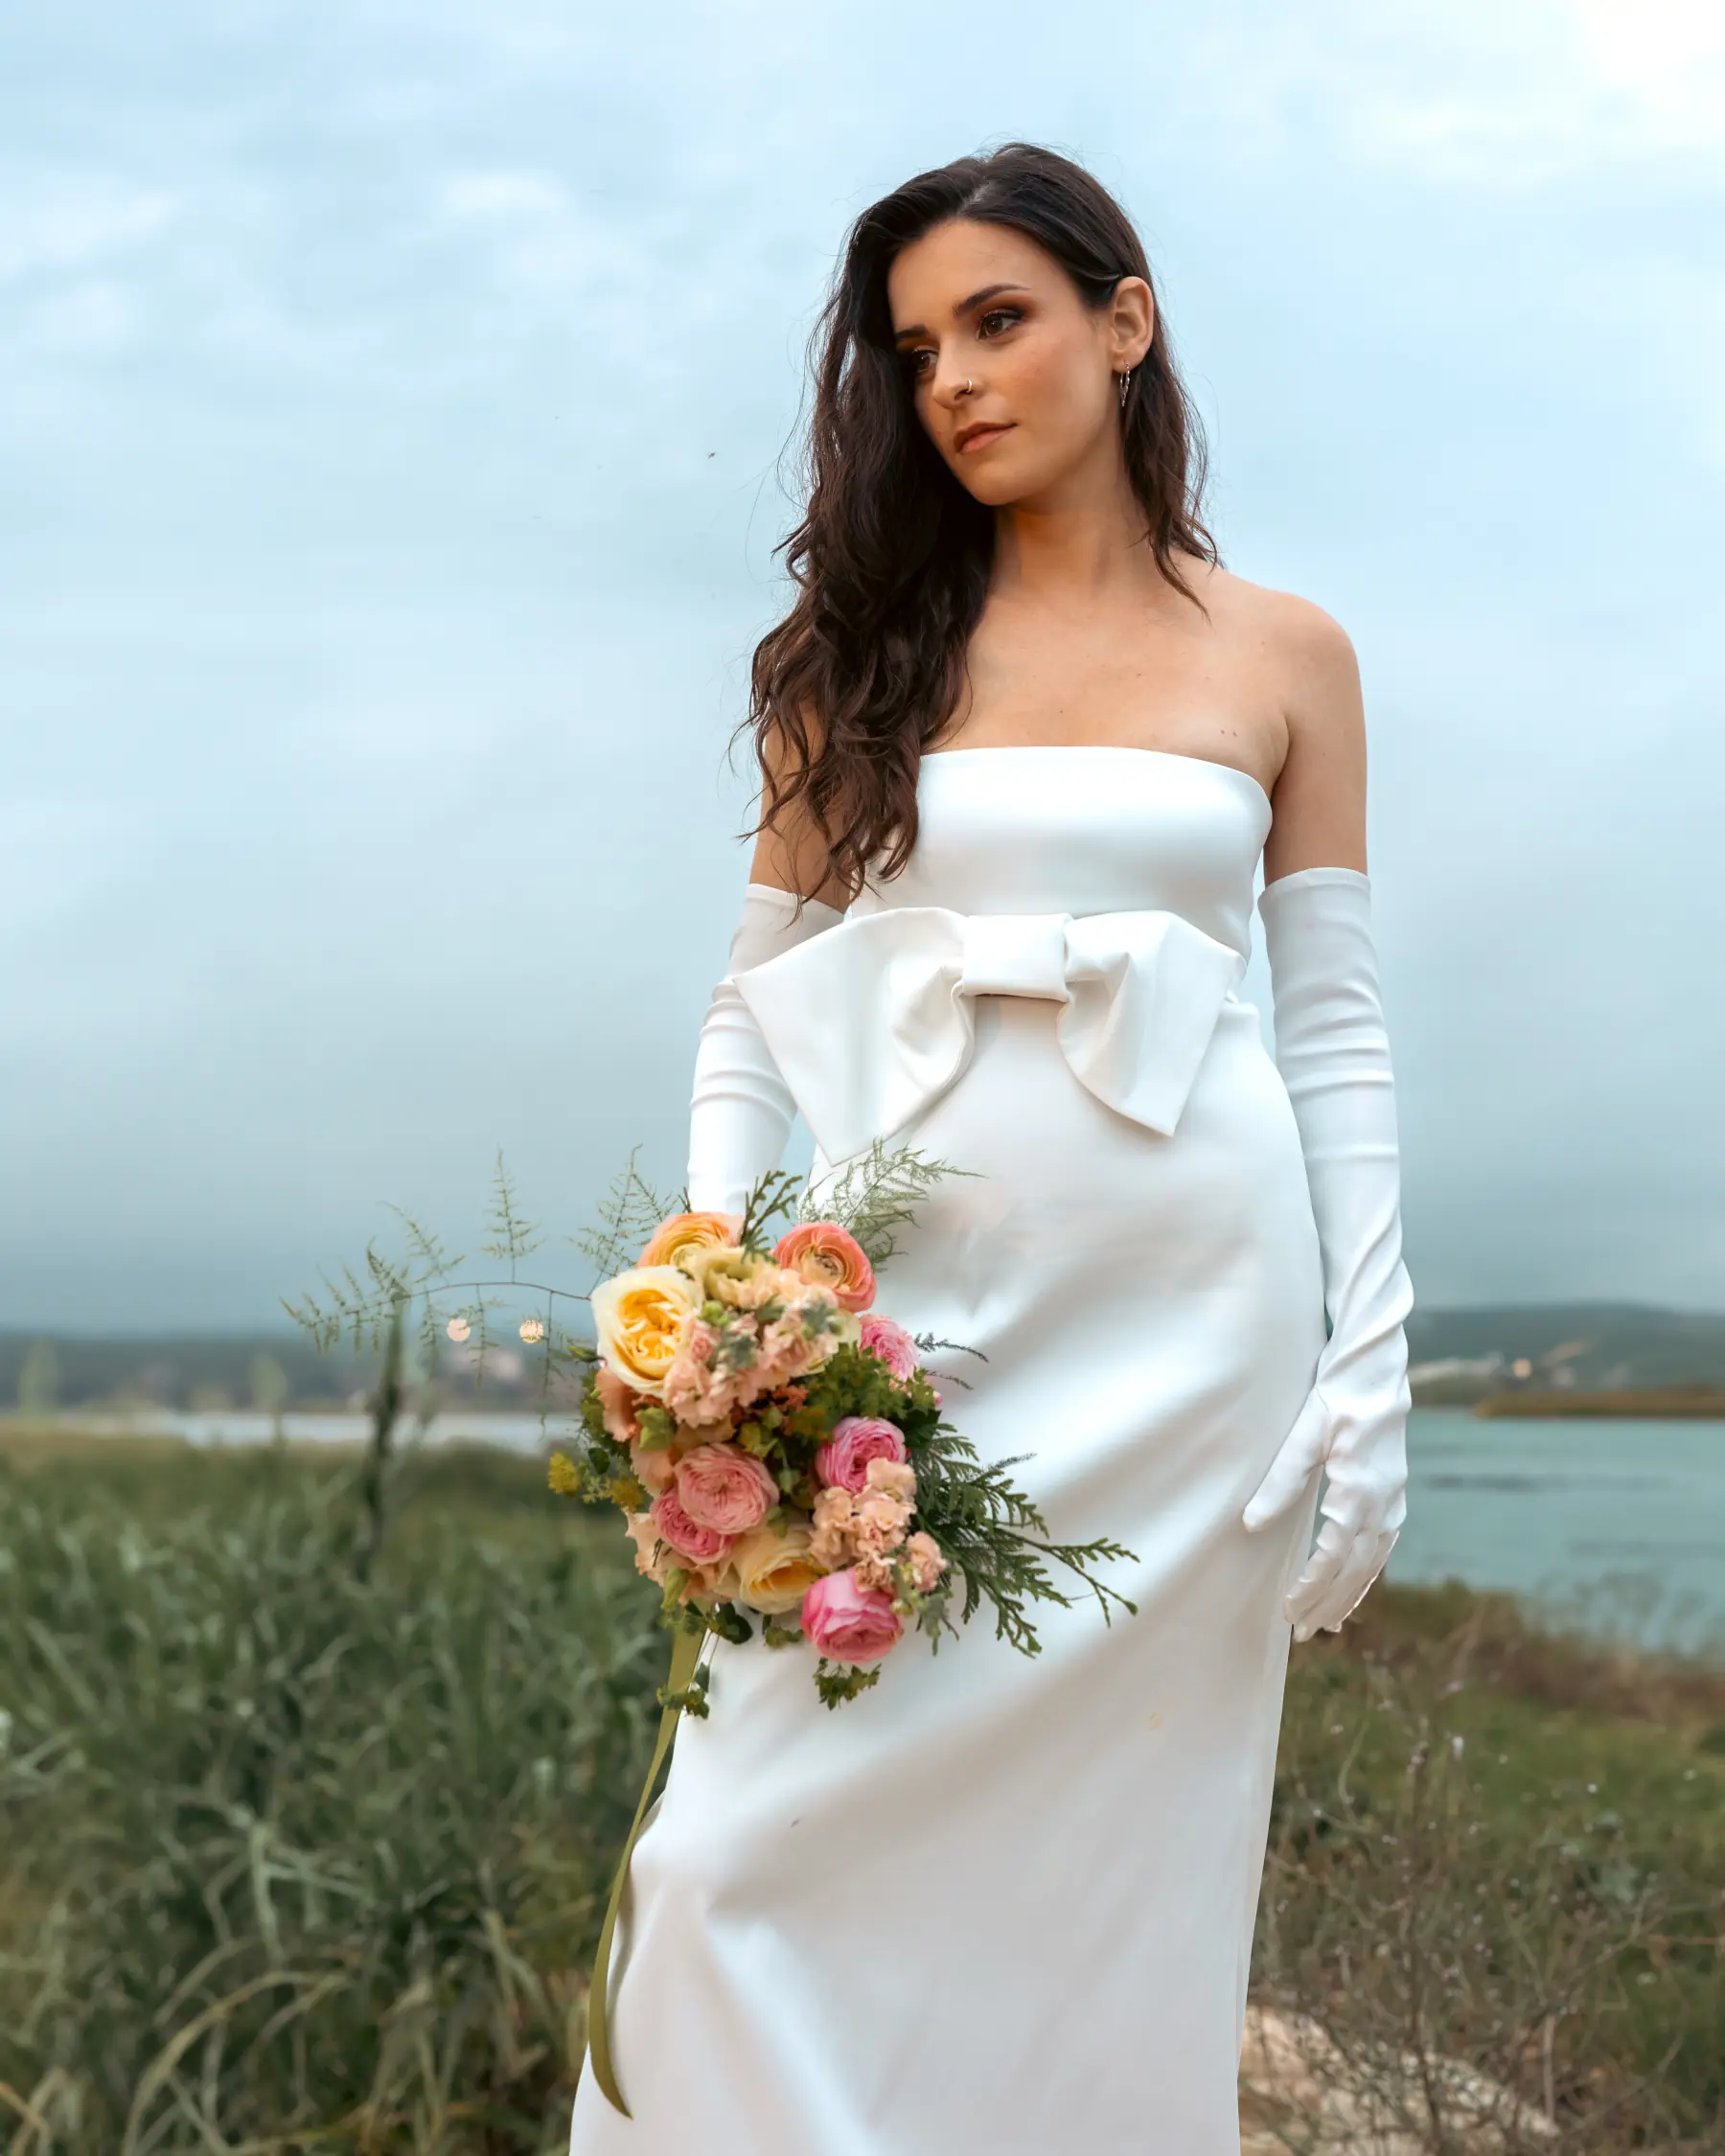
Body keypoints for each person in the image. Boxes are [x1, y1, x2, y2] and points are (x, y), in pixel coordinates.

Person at [566, 140, 1413, 2155]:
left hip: (1203, 1338)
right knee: (725, 1860)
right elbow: (744, 1017)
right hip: (907, 1340)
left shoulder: (1287, 655)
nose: (951, 378)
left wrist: (1373, 1367)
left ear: (1126, 324)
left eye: (1000, 320)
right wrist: (722, 1296)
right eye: (916, 345)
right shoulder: (846, 668)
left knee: (1115, 1895)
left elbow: (1341, 1027)